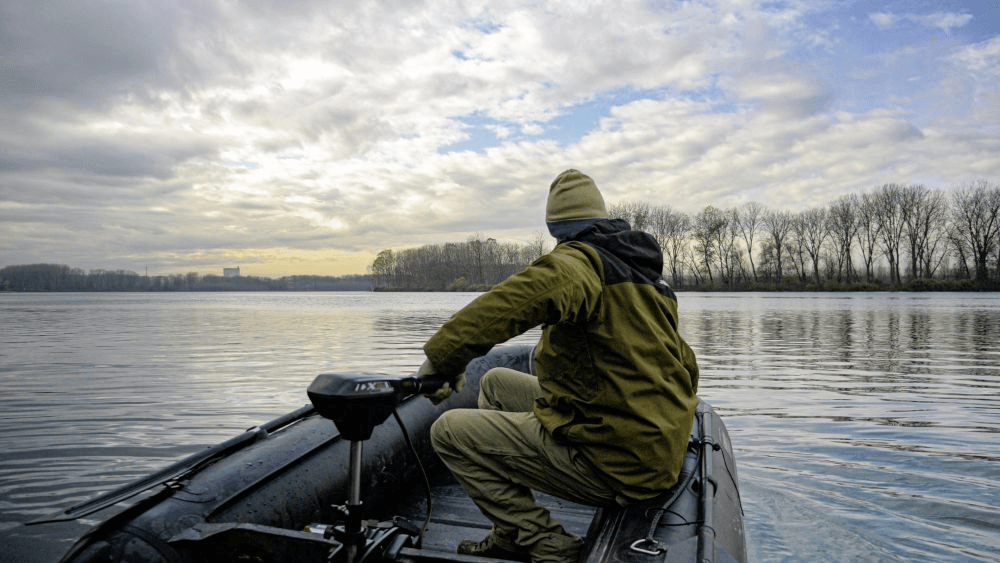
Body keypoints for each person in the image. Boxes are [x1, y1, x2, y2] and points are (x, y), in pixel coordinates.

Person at [417, 169, 700, 563]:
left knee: (449, 433)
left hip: (620, 462)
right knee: (496, 383)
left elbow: (510, 303)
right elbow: (688, 368)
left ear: (558, 231)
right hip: (648, 442)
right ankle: (508, 530)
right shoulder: (647, 281)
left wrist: (441, 360)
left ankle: (544, 542)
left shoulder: (579, 263)